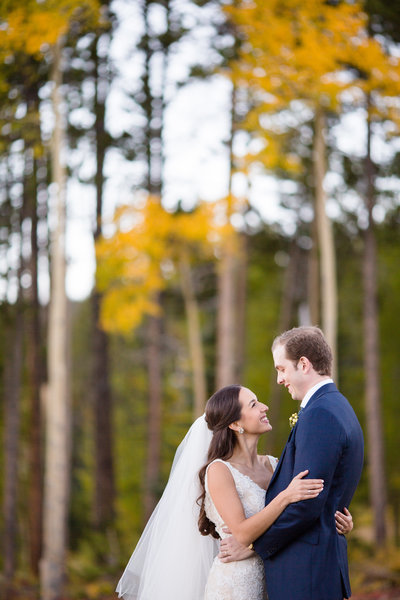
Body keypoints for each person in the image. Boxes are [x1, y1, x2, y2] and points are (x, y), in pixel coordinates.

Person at [116, 381, 352, 600]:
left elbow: (296, 515)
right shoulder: (219, 471)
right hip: (236, 585)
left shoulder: (274, 464)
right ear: (235, 424)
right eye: (253, 404)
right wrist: (285, 496)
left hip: (274, 579)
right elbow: (242, 533)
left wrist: (335, 520)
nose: (264, 407)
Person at [220, 326, 364, 600]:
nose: (279, 379)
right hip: (313, 566)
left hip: (305, 572)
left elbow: (307, 503)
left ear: (304, 364)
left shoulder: (320, 414)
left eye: (281, 369)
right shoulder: (337, 406)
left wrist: (254, 546)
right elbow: (326, 494)